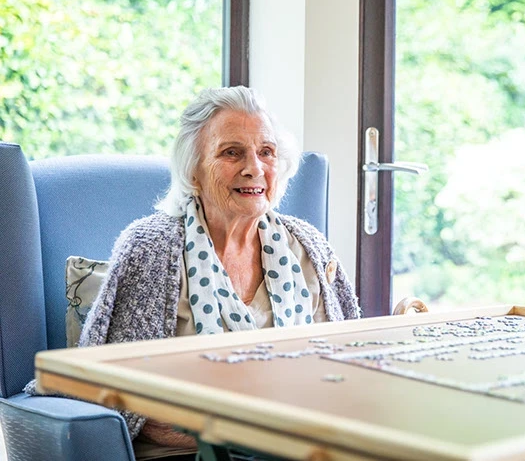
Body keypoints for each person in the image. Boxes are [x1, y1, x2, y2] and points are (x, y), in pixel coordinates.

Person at [30, 86, 361, 460]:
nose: (254, 167)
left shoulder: (309, 246)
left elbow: (350, 367)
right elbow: (123, 400)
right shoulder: (151, 248)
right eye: (231, 152)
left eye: (266, 152)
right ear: (194, 171)